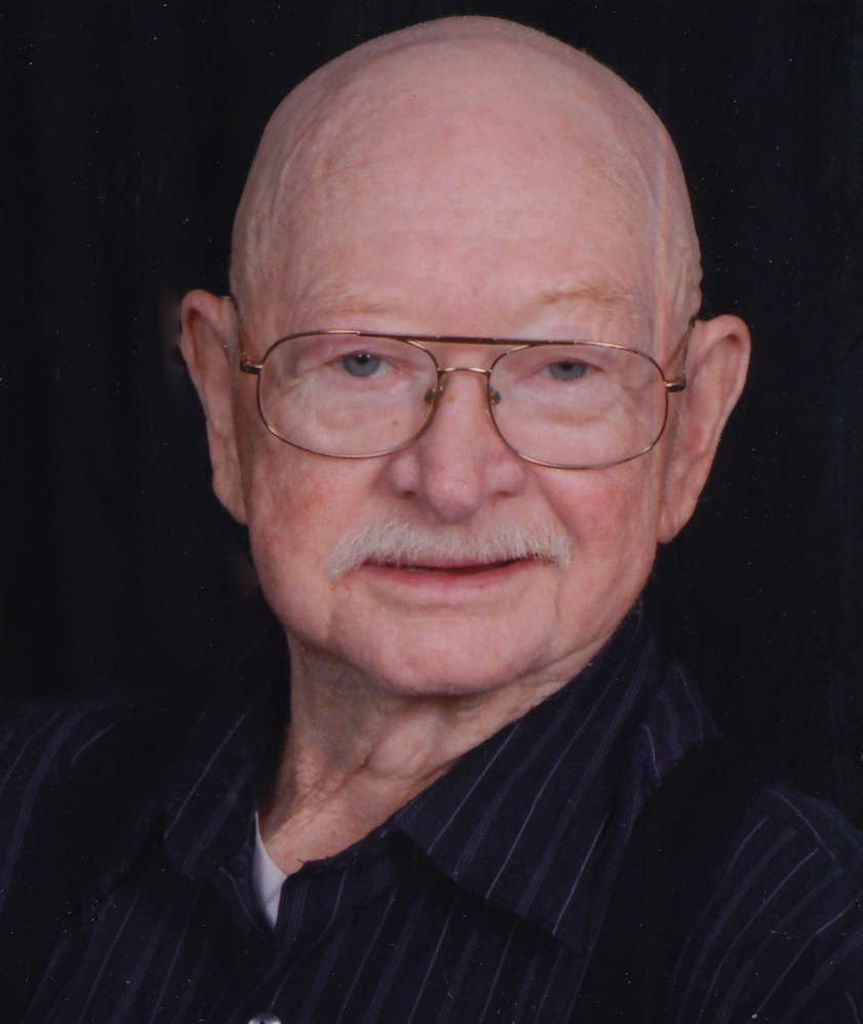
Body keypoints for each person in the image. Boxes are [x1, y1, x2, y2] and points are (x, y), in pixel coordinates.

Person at [2, 15, 862, 1024]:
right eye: (361, 361)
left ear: (692, 426)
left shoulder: (799, 951)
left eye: (563, 370)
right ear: (225, 412)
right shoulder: (28, 797)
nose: (452, 480)